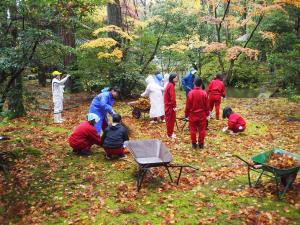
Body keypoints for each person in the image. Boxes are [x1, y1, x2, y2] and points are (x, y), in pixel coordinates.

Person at [185, 78, 209, 149]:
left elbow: (188, 106)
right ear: (201, 84)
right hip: (202, 115)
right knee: (202, 130)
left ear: (194, 84)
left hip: (192, 114)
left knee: (192, 129)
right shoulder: (204, 93)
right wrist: (207, 114)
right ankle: (201, 144)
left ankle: (194, 144)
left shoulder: (190, 93)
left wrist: (186, 114)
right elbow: (207, 106)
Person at [164, 73, 178, 138]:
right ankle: (170, 134)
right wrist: (174, 106)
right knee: (170, 120)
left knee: (170, 120)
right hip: (170, 106)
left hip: (168, 105)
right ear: (172, 78)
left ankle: (170, 133)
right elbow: (173, 97)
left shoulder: (170, 84)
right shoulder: (171, 85)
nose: (177, 78)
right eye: (175, 77)